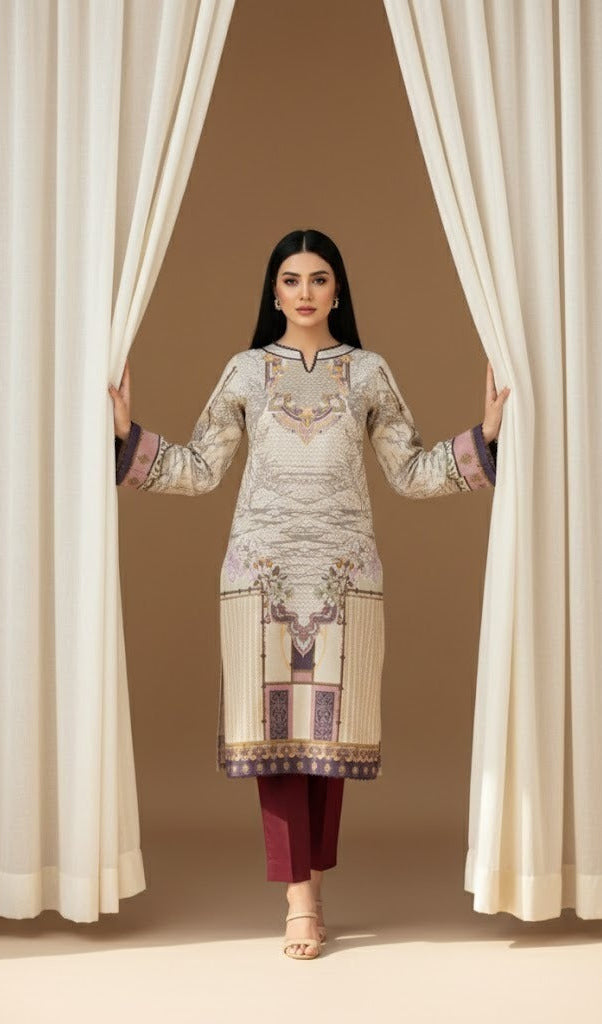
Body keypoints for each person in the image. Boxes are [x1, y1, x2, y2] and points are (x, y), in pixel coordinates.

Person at [109, 228, 510, 961]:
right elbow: (199, 468)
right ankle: (298, 898)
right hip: (259, 576)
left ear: (337, 290)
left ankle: (312, 882)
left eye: (318, 279)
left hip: (343, 574)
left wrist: (486, 434)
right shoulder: (242, 372)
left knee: (328, 739)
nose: (304, 292)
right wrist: (125, 433)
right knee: (276, 745)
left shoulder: (368, 373)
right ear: (273, 292)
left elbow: (412, 472)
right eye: (291, 280)